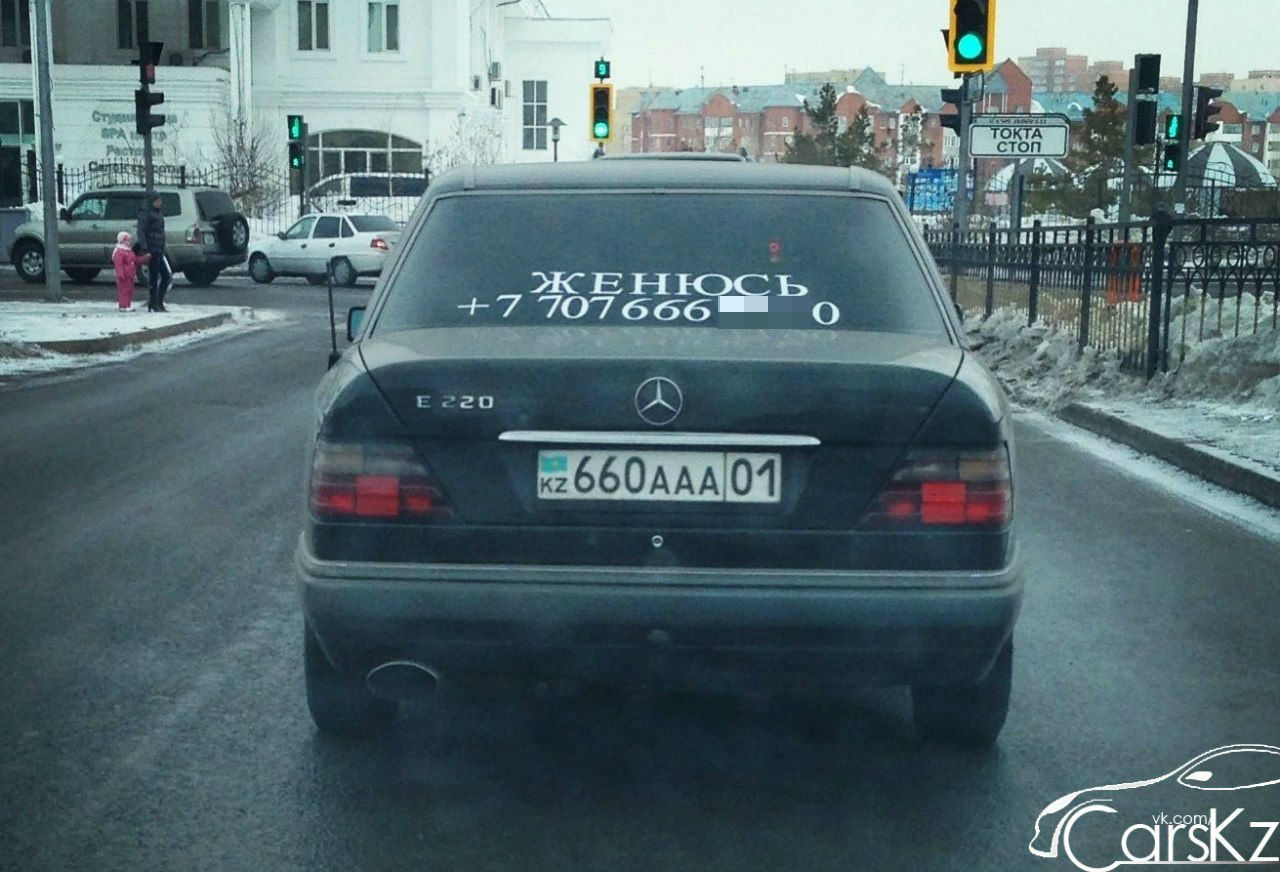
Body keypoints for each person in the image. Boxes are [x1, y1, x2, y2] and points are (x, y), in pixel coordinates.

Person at [137, 194, 173, 312]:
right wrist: (145, 248)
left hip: (159, 248)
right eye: (157, 201)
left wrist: (162, 245)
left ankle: (158, 301)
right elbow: (141, 232)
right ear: (151, 202)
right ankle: (153, 302)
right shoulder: (145, 214)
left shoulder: (159, 213)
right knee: (154, 277)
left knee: (166, 276)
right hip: (152, 249)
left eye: (160, 201)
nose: (159, 203)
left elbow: (161, 231)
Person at [111, 231, 151, 310]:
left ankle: (127, 305)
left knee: (129, 291)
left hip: (130, 276)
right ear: (122, 241)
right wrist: (120, 274)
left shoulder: (129, 251)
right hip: (124, 276)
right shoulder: (119, 252)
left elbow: (136, 260)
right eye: (128, 240)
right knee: (124, 291)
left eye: (130, 240)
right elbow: (118, 265)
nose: (130, 242)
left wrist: (145, 258)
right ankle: (123, 306)